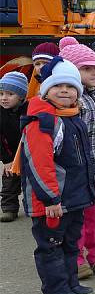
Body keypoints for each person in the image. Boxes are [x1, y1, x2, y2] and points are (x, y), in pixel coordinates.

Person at [20, 57, 95, 294]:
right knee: (51, 246)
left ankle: (70, 283)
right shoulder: (43, 120)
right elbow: (39, 163)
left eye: (70, 86)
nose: (64, 91)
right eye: (57, 86)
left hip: (73, 198)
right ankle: (55, 290)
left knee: (70, 243)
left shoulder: (73, 116)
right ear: (46, 90)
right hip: (52, 201)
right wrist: (50, 199)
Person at [58, 38, 95, 279]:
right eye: (86, 69)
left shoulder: (92, 97)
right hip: (74, 173)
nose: (94, 73)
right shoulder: (71, 102)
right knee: (76, 219)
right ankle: (77, 258)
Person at [0, 72, 28, 222]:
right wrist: (6, 160)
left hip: (29, 153)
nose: (4, 98)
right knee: (9, 181)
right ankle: (9, 208)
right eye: (1, 93)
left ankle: (33, 206)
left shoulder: (28, 110)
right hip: (10, 155)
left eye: (10, 94)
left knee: (32, 182)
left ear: (21, 97)